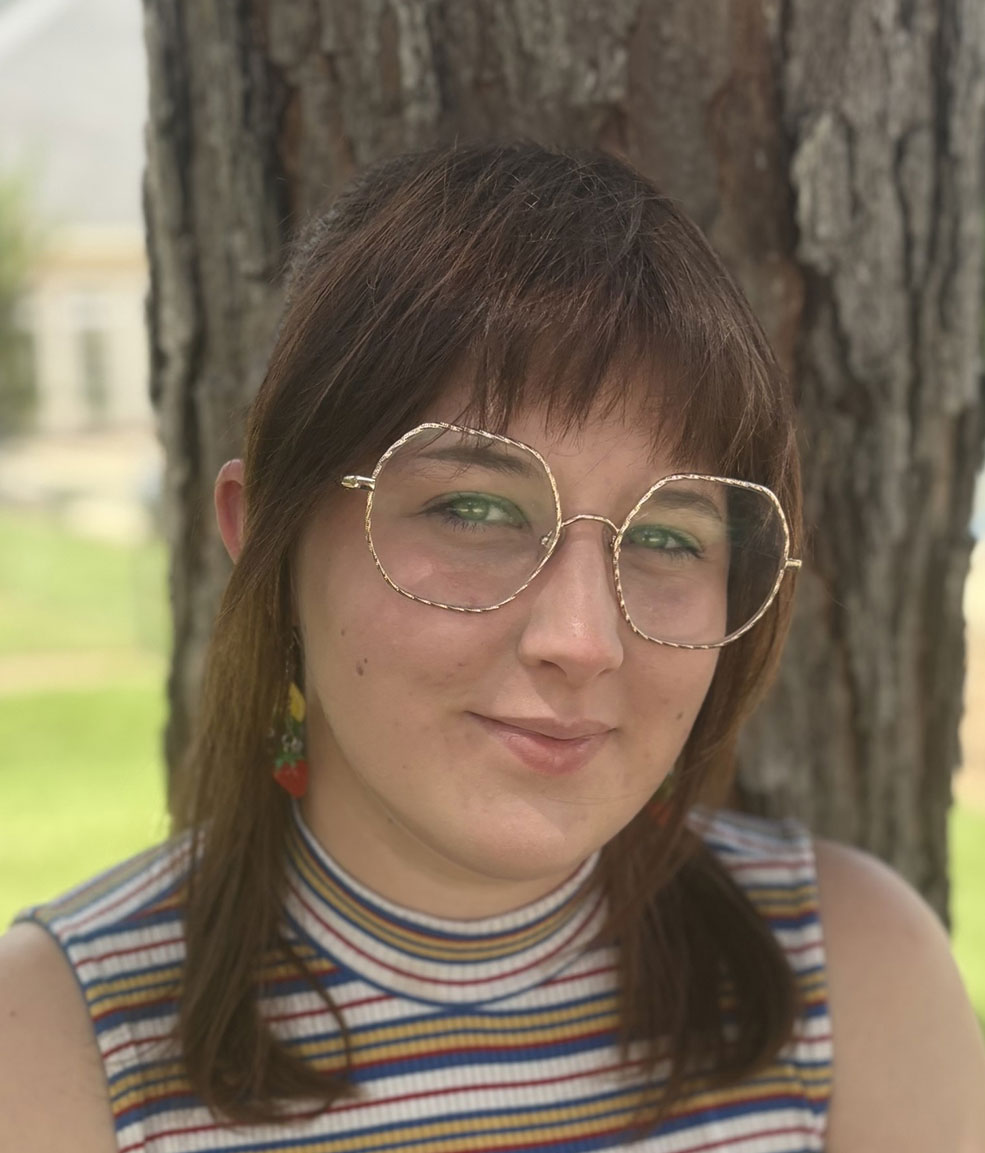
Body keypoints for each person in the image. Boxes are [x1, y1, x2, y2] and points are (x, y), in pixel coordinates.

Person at [1, 142, 983, 1153]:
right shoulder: (51, 1054)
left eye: (665, 537)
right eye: (473, 510)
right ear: (269, 541)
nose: (581, 641)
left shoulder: (852, 978)